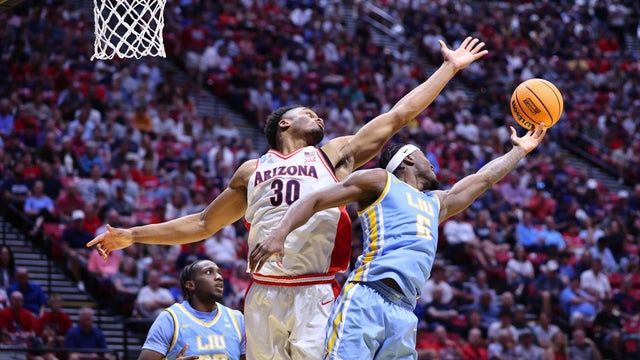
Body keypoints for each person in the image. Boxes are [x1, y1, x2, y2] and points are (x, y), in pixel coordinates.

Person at [88, 36, 489, 358]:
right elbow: (202, 224)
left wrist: (448, 69)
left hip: (315, 288)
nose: (320, 117)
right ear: (285, 122)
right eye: (309, 112)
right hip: (263, 291)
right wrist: (133, 234)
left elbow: (397, 117)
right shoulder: (250, 170)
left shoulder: (334, 155)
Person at [248, 124, 547, 358]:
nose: (434, 165)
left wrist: (518, 151)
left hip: (404, 311)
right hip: (367, 296)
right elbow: (315, 200)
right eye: (426, 159)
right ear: (408, 159)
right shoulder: (380, 181)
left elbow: (482, 179)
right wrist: (280, 232)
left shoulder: (436, 202)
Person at [138, 259, 246, 360]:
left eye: (219, 273)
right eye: (209, 272)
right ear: (190, 285)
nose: (219, 277)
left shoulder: (237, 318)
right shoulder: (170, 318)